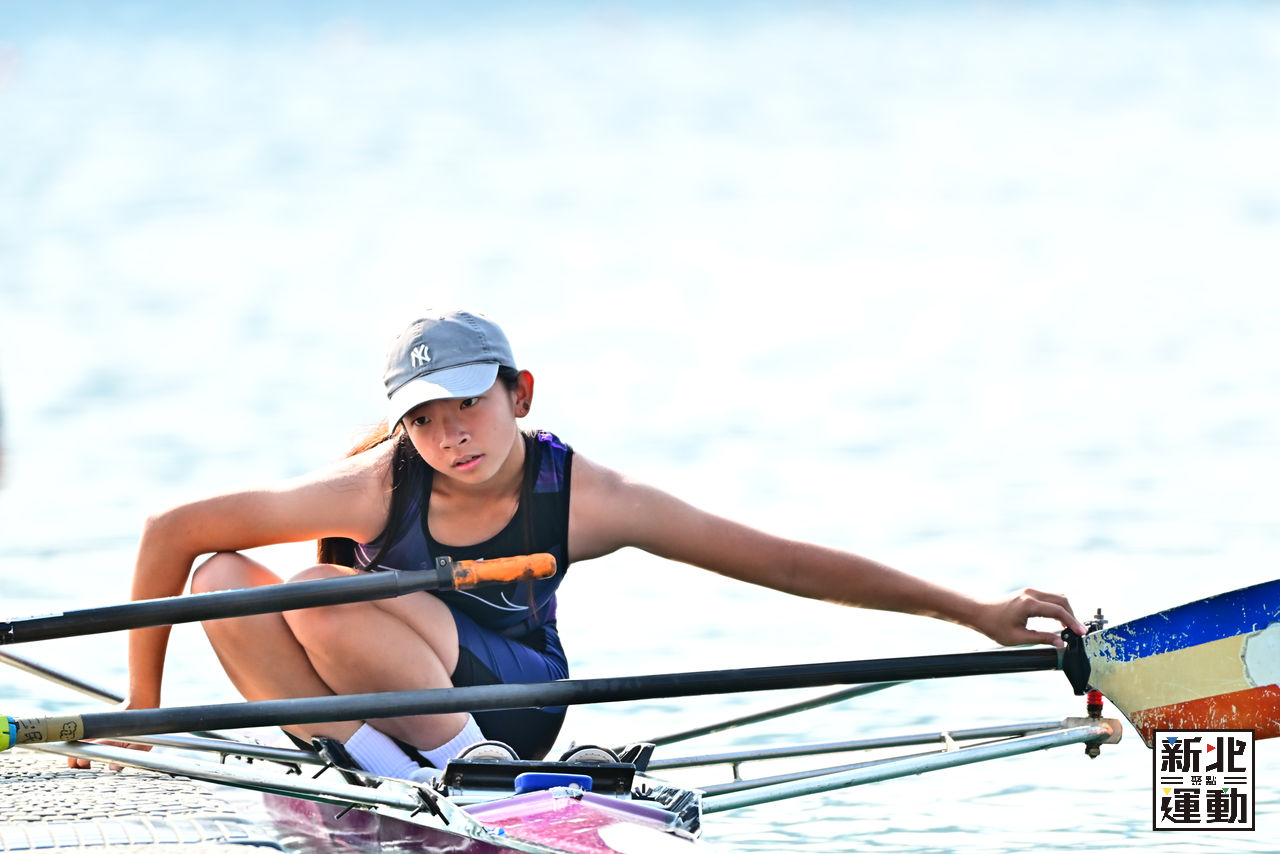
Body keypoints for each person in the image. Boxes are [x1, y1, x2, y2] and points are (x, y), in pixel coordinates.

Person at [71, 309, 1085, 776]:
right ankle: (373, 763)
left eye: (468, 405)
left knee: (319, 590)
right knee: (226, 575)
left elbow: (781, 561)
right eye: (423, 418)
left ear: (518, 393)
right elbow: (173, 532)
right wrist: (140, 707)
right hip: (374, 695)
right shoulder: (376, 484)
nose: (451, 436)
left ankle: (463, 769)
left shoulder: (589, 498)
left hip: (513, 704)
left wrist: (974, 613)